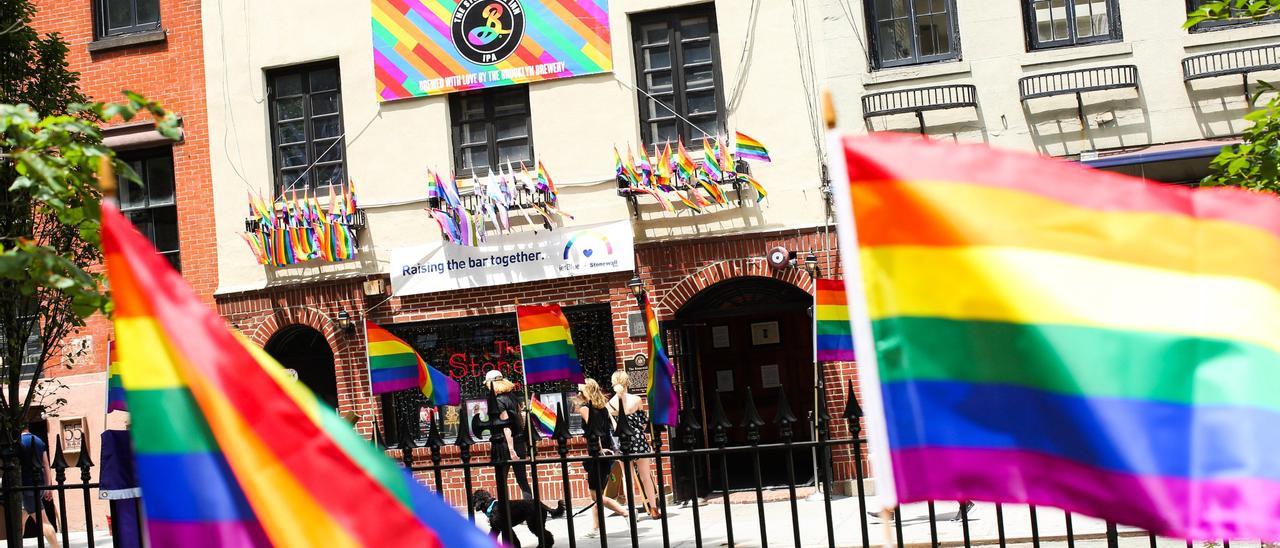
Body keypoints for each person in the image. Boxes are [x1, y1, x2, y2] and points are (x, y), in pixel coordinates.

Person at [574, 379, 628, 538]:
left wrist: (598, 448)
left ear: (586, 391)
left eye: (580, 390)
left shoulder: (585, 408)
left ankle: (625, 513)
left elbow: (594, 430)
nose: (578, 393)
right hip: (606, 453)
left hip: (597, 454)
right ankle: (595, 529)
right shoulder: (602, 408)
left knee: (594, 495)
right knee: (598, 494)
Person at [607, 371, 663, 520]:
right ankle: (653, 508)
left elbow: (613, 428)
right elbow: (643, 422)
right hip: (638, 440)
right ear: (627, 382)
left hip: (622, 443)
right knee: (646, 477)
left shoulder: (609, 404)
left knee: (628, 478)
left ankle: (632, 511)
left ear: (613, 383)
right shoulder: (637, 399)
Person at [484, 370, 532, 500]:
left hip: (505, 445)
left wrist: (511, 450)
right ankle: (531, 509)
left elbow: (506, 426)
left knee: (501, 481)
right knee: (523, 481)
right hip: (519, 441)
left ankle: (504, 513)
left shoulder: (499, 401)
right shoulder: (512, 397)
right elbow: (520, 420)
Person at [17, 426, 59, 548]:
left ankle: (56, 547)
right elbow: (46, 465)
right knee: (19, 523)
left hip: (25, 487)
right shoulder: (39, 441)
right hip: (38, 485)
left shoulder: (18, 442)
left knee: (43, 522)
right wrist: (48, 487)